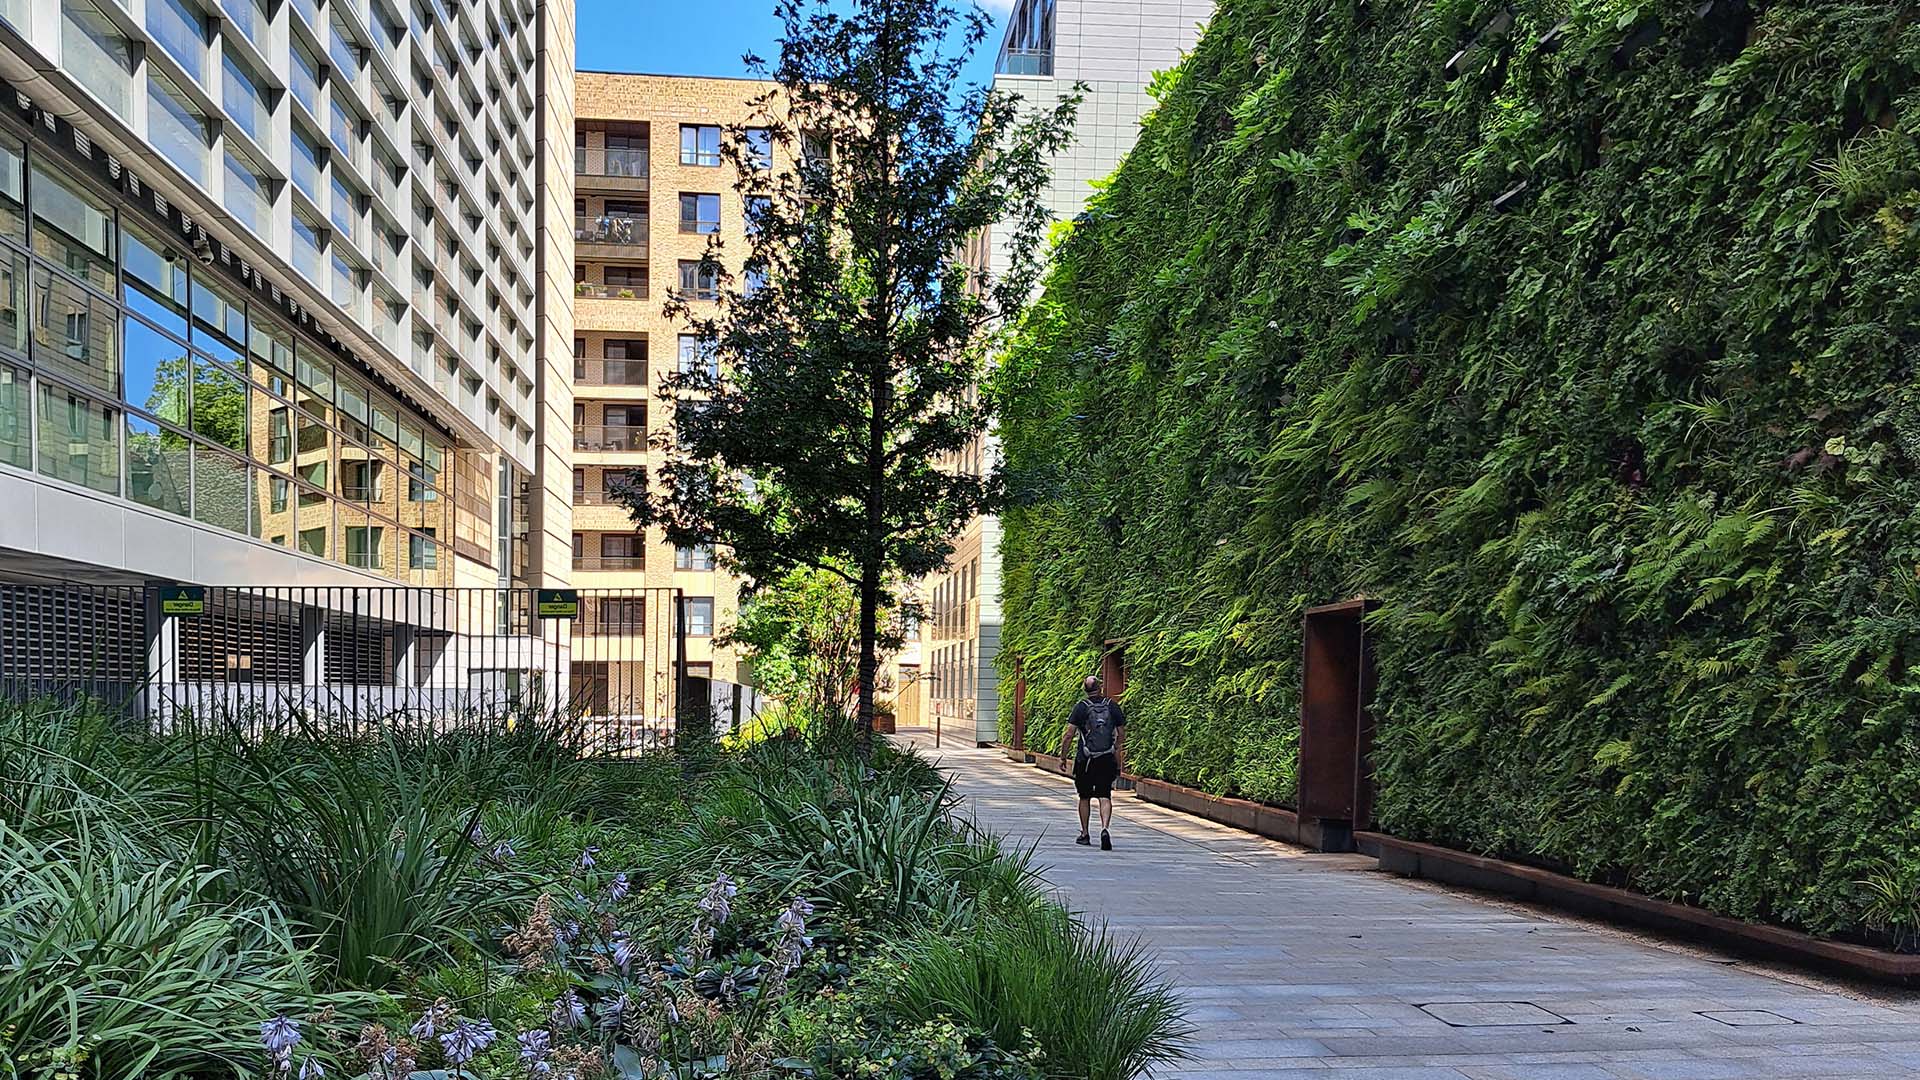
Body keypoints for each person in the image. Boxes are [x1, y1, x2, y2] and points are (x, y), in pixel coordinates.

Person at [1059, 674, 1125, 849]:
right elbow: (1122, 733)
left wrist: (1063, 756)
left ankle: (1085, 833)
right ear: (1101, 688)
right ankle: (1104, 828)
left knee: (1084, 796)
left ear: (1085, 690)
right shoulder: (1112, 706)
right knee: (1105, 795)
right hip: (1106, 757)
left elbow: (1068, 735)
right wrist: (1116, 749)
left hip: (1085, 759)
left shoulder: (1081, 708)